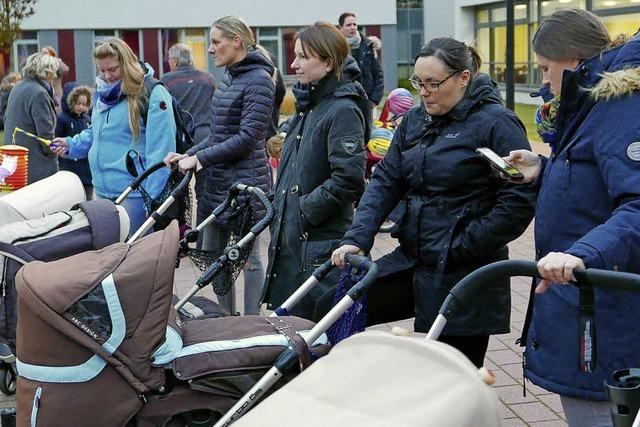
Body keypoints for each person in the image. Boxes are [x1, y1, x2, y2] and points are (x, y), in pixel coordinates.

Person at [332, 37, 537, 368]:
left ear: (463, 78)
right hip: (416, 258)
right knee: (336, 308)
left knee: (451, 372)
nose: (423, 92)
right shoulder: (415, 119)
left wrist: (461, 245)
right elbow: (386, 179)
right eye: (418, 82)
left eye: (433, 83)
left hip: (465, 271)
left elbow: (518, 200)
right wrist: (359, 236)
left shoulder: (497, 123)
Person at [504, 10, 640, 427]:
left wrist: (580, 254)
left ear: (575, 60)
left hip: (601, 300)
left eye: (546, 68)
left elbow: (636, 203)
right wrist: (542, 170)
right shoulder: (591, 102)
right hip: (588, 295)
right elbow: (594, 176)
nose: (543, 80)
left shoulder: (618, 105)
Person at [164, 16, 274, 315]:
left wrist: (198, 159)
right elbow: (217, 135)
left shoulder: (259, 80)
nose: (210, 49)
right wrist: (186, 154)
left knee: (250, 260)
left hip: (246, 185)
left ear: (236, 41)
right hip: (218, 183)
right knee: (216, 258)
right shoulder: (230, 78)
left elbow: (247, 138)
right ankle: (226, 318)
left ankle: (252, 322)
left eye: (215, 41)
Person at [261, 21, 370, 320]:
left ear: (328, 61)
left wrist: (304, 208)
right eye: (295, 55)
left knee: (319, 339)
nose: (294, 64)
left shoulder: (342, 109)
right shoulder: (311, 105)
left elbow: (348, 178)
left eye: (303, 57)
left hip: (320, 248)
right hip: (298, 245)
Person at [51, 38, 176, 233]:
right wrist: (71, 145)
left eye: (113, 70)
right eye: (102, 70)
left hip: (136, 198)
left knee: (134, 259)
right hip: (101, 194)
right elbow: (96, 132)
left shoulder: (153, 94)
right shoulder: (102, 93)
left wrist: (152, 201)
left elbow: (161, 152)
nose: (107, 76)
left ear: (126, 64)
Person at [2, 52, 58, 184]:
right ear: (47, 71)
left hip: (14, 161)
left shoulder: (17, 88)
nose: (55, 75)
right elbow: (45, 135)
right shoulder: (39, 93)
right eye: (53, 71)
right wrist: (53, 153)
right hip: (35, 165)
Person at [161, 43, 216, 145]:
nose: (168, 62)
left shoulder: (166, 81)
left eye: (169, 59)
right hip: (206, 134)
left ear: (175, 60)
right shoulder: (208, 78)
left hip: (182, 136)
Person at [338, 12, 384, 108]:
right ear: (340, 27)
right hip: (343, 102)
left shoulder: (368, 46)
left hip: (366, 101)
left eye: (354, 24)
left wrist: (374, 100)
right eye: (348, 25)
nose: (353, 27)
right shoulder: (336, 48)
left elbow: (378, 75)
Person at [55, 83, 93, 199]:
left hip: (86, 170)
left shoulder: (87, 119)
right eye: (78, 103)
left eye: (84, 104)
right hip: (69, 167)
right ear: (70, 102)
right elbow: (57, 139)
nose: (81, 107)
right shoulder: (62, 119)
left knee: (88, 197)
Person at [41, 45, 70, 114]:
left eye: (46, 53)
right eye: (42, 53)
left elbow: (65, 70)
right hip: (43, 94)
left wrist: (55, 60)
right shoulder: (40, 64)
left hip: (56, 95)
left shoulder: (57, 63)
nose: (44, 55)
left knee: (57, 114)